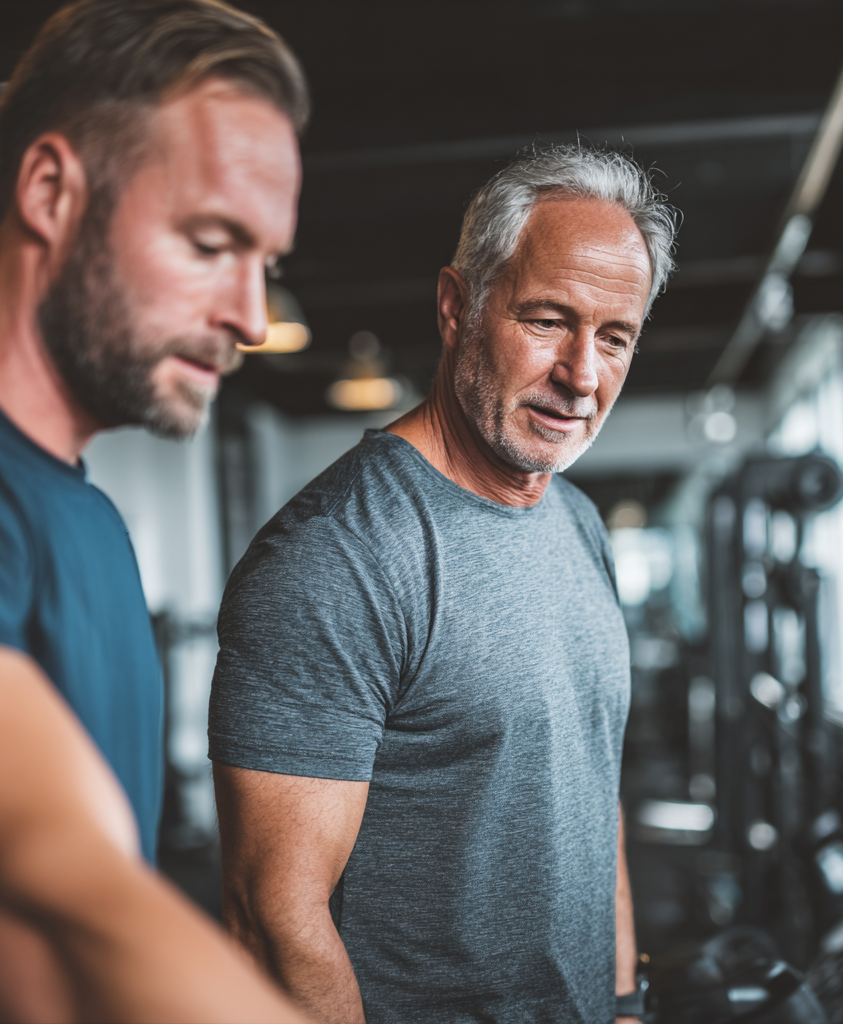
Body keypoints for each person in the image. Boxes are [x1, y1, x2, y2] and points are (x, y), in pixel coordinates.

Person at [209, 145, 677, 1023]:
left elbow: (589, 795)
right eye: (547, 321)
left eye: (615, 337)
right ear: (457, 306)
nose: (583, 374)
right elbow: (272, 922)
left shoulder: (576, 522)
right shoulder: (337, 557)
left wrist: (620, 1004)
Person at [0, 1, 311, 1021]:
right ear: (51, 190)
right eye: (212, 241)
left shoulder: (85, 514)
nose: (251, 317)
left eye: (265, 262)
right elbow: (47, 877)